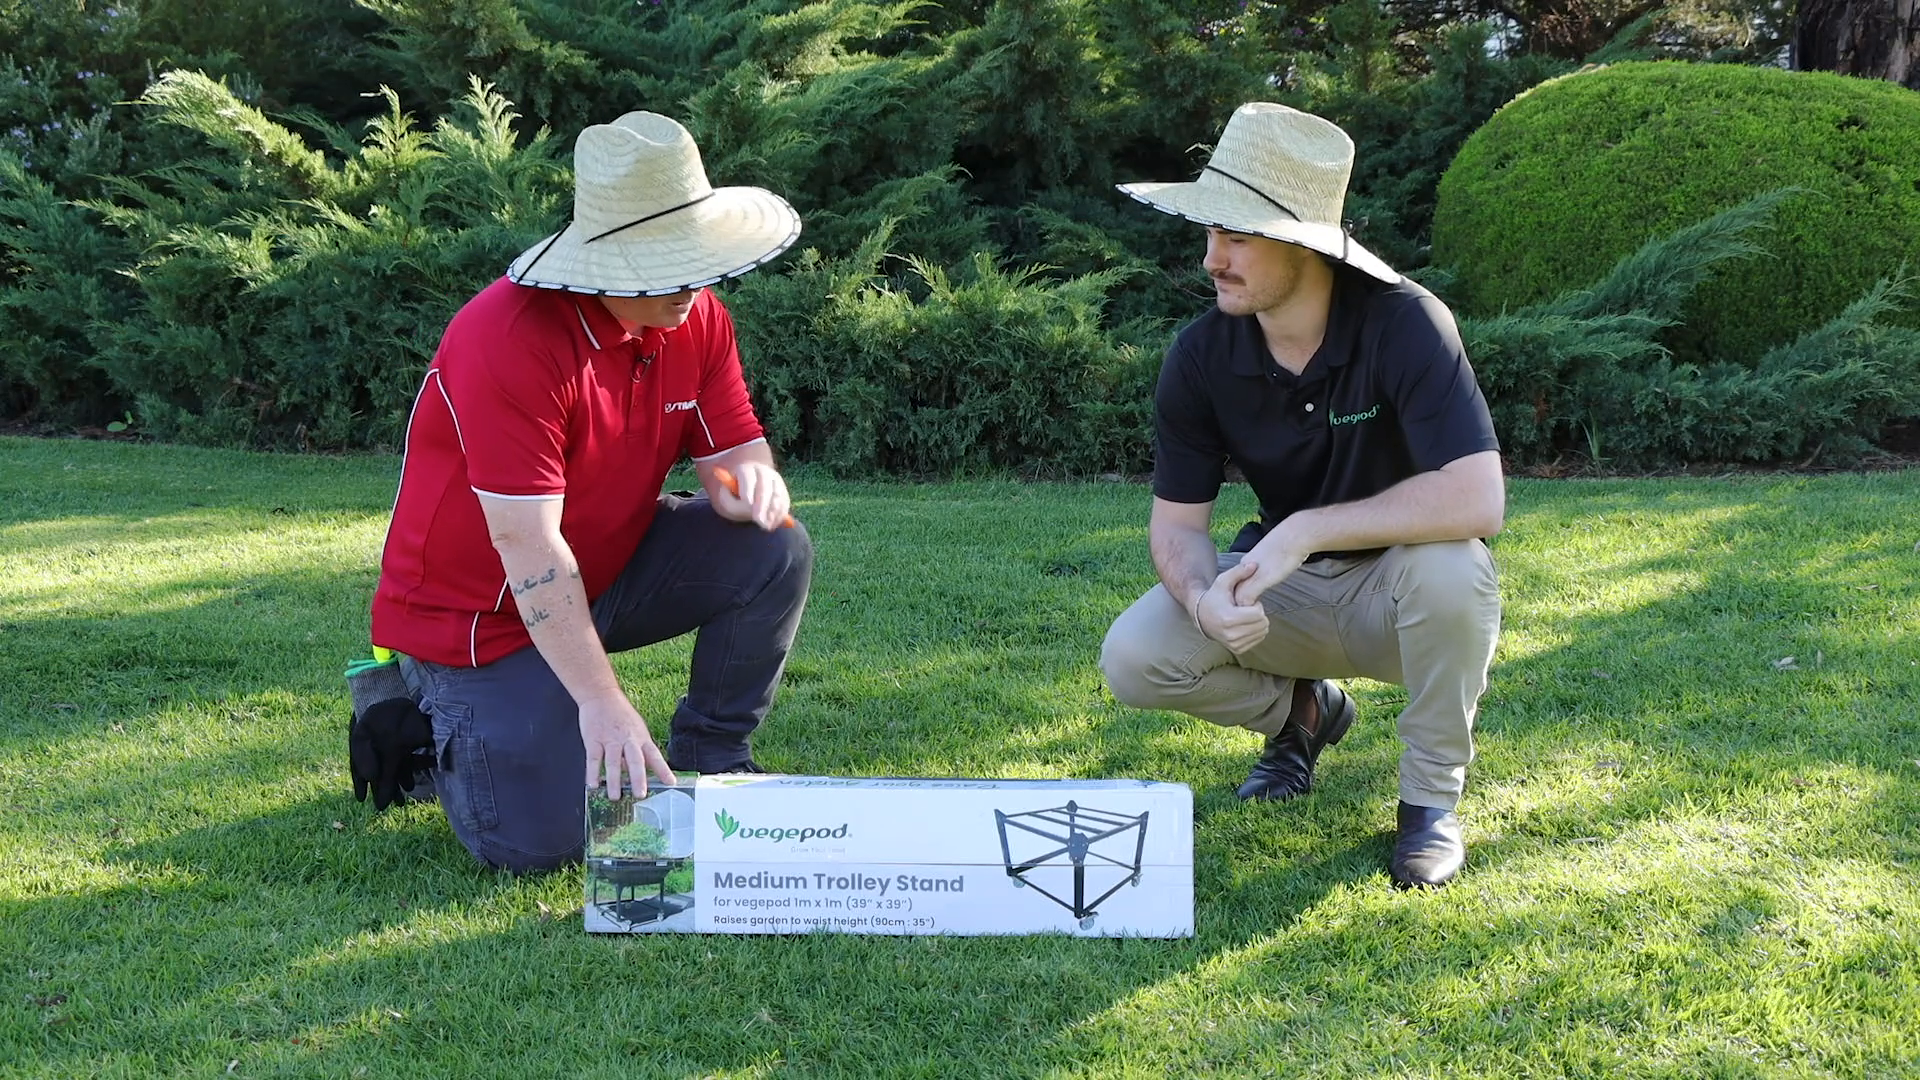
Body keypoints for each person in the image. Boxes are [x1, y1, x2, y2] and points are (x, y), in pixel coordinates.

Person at [352, 111, 813, 873]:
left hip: (599, 570)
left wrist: (747, 484)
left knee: (776, 545)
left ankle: (714, 754)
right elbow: (528, 547)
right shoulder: (506, 340)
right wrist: (602, 702)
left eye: (702, 261)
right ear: (611, 264)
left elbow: (734, 446)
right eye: (674, 264)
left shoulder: (696, 317)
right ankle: (408, 701)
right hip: (478, 614)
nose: (698, 286)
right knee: (544, 844)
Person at [1099, 103, 1504, 889]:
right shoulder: (1200, 355)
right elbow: (1179, 528)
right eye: (1210, 233)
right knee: (1136, 656)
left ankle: (1428, 807)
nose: (1213, 259)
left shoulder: (1407, 323)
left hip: (1404, 594)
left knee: (1456, 569)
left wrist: (1309, 527)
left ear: (1305, 245)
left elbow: (1478, 497)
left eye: (1238, 236)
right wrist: (1199, 595)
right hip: (1286, 597)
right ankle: (1303, 717)